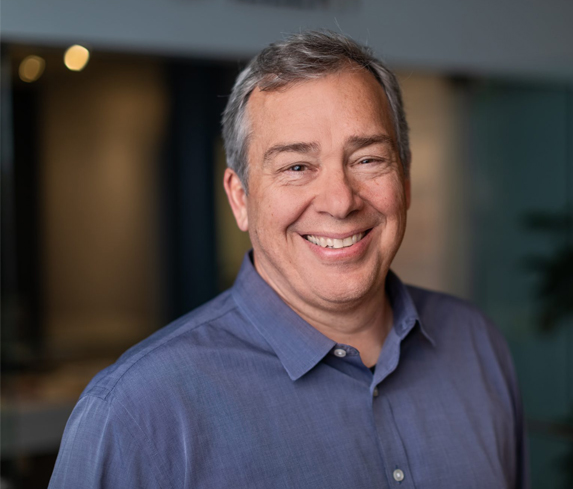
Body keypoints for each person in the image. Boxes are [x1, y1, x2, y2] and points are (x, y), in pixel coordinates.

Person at [49, 31, 528, 488]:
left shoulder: (475, 345)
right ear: (240, 199)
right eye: (297, 167)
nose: (340, 201)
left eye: (367, 160)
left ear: (403, 182)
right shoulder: (137, 411)